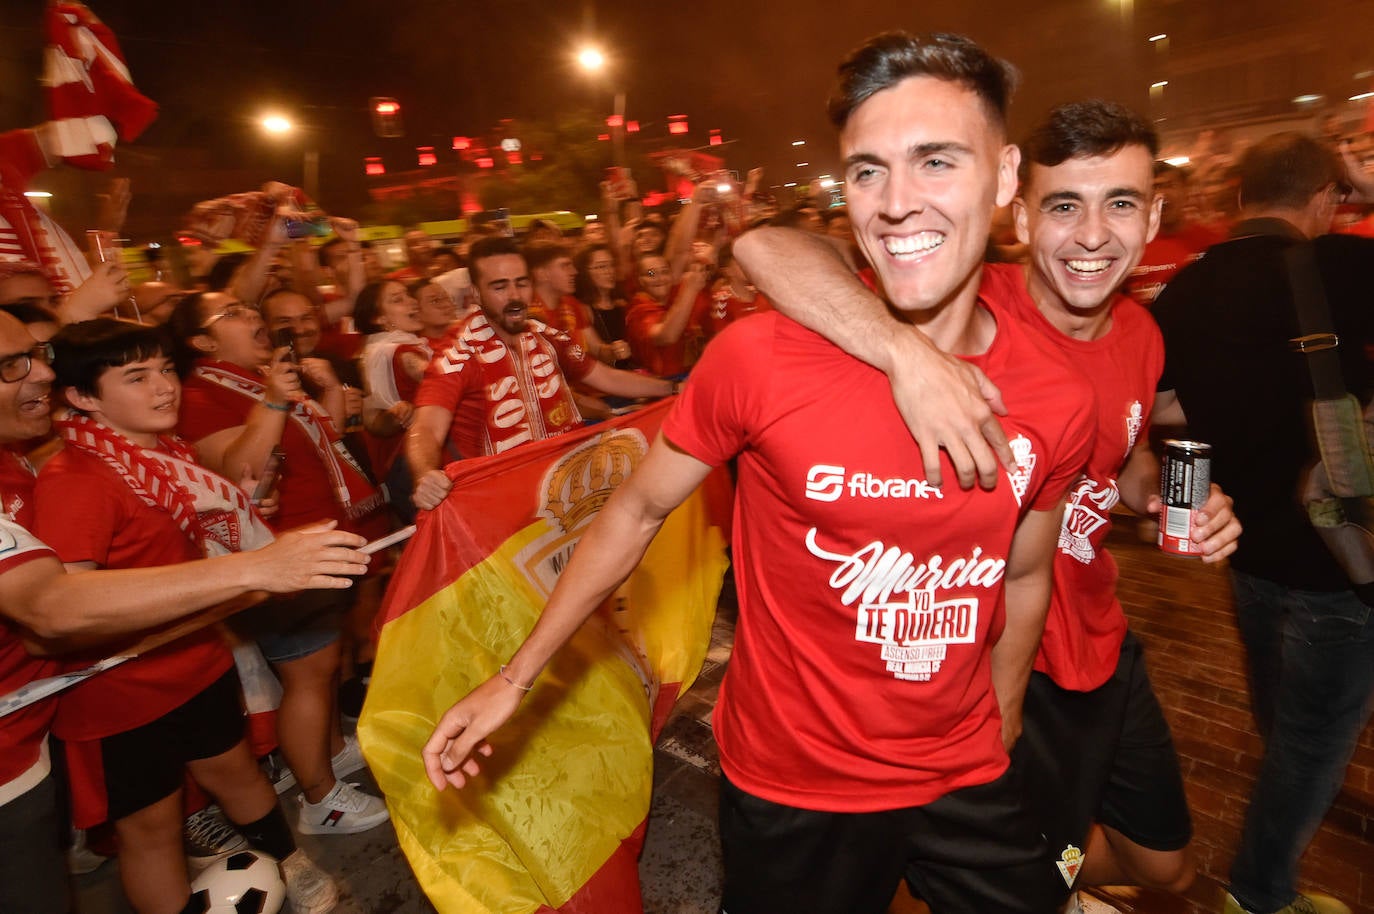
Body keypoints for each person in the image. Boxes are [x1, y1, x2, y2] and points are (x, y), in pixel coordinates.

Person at [421, 32, 1095, 914]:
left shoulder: (1055, 397)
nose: (896, 205)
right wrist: (514, 679)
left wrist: (1004, 718)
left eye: (936, 161)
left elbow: (1025, 569)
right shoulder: (758, 361)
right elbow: (633, 512)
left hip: (962, 770)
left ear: (1006, 178)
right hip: (792, 785)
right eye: (866, 172)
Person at [0, 310, 368, 914]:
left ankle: (293, 866)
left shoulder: (163, 452)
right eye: (137, 377)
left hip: (196, 661)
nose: (165, 386)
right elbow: (66, 609)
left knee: (241, 777)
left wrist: (238, 510)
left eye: (166, 369)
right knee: (152, 830)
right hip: (120, 696)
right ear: (82, 396)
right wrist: (254, 568)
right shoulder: (77, 480)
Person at [1153, 132, 1374, 914]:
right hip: (1342, 560)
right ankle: (1258, 890)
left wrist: (1185, 519)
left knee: (1284, 719)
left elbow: (1165, 420)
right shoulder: (1349, 269)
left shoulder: (1182, 292)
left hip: (1243, 552)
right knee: (1314, 740)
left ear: (1240, 197)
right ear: (1324, 198)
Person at [168, 291, 390, 836]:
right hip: (278, 555)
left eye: (249, 309)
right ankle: (320, 801)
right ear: (203, 342)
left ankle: (329, 753)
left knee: (321, 665)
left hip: (313, 543)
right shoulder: (203, 395)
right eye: (234, 315)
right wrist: (271, 403)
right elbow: (240, 468)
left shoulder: (250, 379)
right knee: (307, 676)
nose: (253, 318)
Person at [405, 236, 677, 510]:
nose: (514, 296)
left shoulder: (543, 335)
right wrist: (424, 476)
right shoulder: (458, 353)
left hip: (567, 491)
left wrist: (671, 390)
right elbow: (426, 426)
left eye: (521, 283)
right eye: (499, 287)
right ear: (476, 294)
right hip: (502, 506)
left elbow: (605, 377)